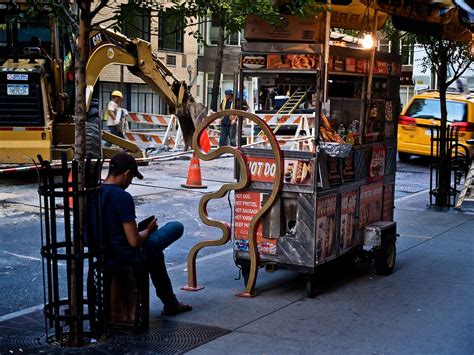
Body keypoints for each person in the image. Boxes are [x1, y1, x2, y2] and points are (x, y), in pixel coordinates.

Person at [100, 152, 192, 316]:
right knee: (176, 227)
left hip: (104, 252)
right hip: (127, 254)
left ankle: (171, 303)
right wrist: (148, 229)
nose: (129, 183)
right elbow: (134, 241)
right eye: (131, 178)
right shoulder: (122, 197)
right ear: (127, 174)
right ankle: (171, 304)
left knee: (156, 256)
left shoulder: (95, 192)